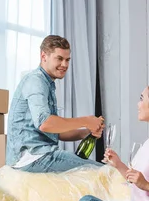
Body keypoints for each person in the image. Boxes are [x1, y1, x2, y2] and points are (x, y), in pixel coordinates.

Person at [6, 35, 104, 173]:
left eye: (67, 60)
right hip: (32, 157)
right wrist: (86, 121)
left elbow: (55, 132)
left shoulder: (47, 83)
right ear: (43, 56)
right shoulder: (36, 81)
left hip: (38, 154)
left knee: (101, 171)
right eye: (59, 58)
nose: (65, 65)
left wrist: (87, 131)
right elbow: (45, 123)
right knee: (105, 173)